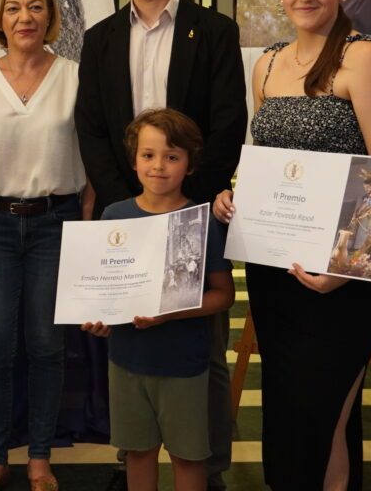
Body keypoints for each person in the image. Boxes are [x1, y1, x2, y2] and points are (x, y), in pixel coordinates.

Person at [212, 0, 371, 490]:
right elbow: (268, 163)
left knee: (322, 416)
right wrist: (239, 194)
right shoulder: (269, 64)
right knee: (288, 410)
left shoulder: (364, 58)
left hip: (343, 278)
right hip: (278, 271)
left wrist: (344, 267)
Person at [75, 0, 245, 491]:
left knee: (202, 347)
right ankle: (137, 462)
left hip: (194, 212)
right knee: (132, 337)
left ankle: (208, 467)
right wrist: (134, 204)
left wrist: (182, 202)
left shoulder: (216, 32)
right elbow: (92, 129)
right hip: (127, 213)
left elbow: (228, 124)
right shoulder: (97, 41)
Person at [0, 0, 89, 491]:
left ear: (50, 17)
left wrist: (84, 232)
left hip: (56, 222)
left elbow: (91, 168)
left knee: (47, 346)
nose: (24, 17)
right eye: (13, 8)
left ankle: (38, 457)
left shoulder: (76, 77)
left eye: (35, 7)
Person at [81, 108, 234, 491]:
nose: (159, 166)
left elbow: (223, 295)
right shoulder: (115, 215)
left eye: (172, 157)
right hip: (127, 360)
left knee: (188, 455)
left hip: (184, 362)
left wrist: (169, 314)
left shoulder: (201, 221)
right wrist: (99, 317)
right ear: (133, 161)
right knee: (137, 452)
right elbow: (106, 289)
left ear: (190, 164)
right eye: (148, 155)